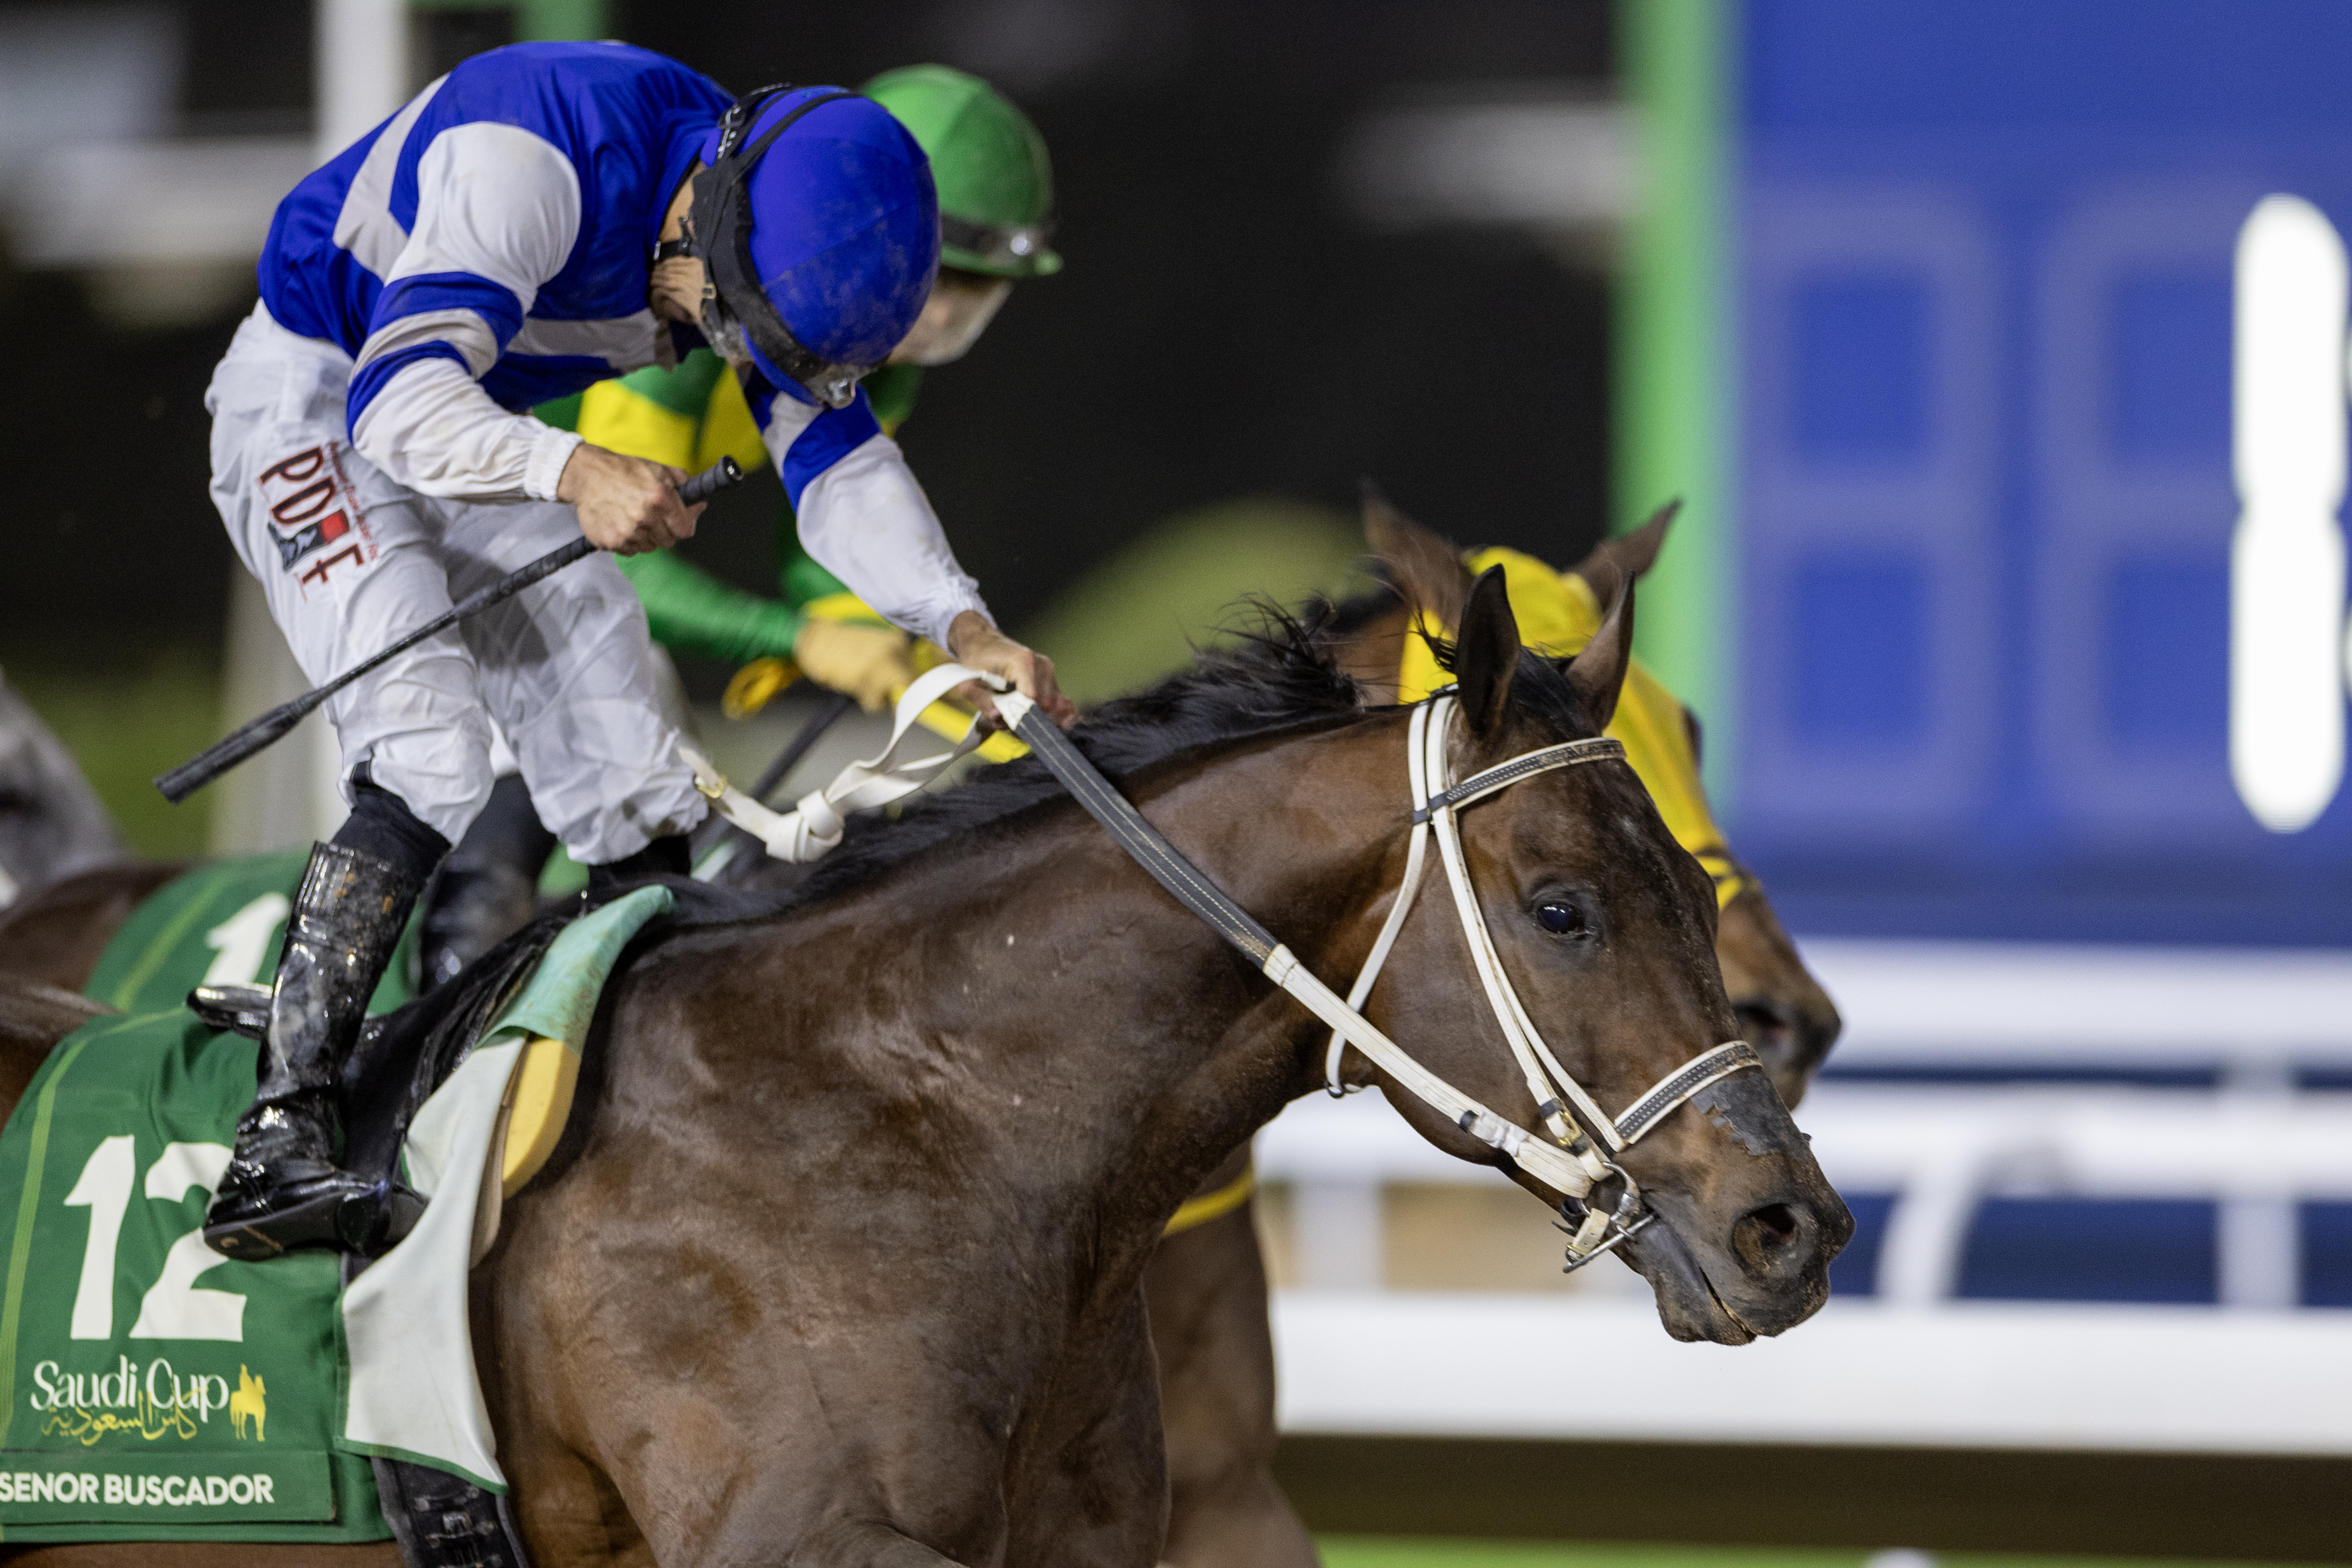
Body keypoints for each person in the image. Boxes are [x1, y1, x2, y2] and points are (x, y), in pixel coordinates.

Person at [200, 42, 1072, 1262]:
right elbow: (394, 406)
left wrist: (961, 627)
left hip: (470, 408)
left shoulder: (755, 220)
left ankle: (642, 1069)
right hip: (324, 395)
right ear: (702, 221)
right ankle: (278, 1133)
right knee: (431, 744)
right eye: (731, 324)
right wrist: (575, 468)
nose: (730, 353)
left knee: (631, 761)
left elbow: (840, 465)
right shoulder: (529, 160)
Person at [419, 63, 1062, 986]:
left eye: (976, 287)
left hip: (577, 596)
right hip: (468, 548)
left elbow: (832, 568)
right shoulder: (687, 320)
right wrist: (797, 641)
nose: (943, 310)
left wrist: (937, 669)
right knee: (497, 900)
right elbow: (614, 565)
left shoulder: (872, 355)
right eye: (934, 269)